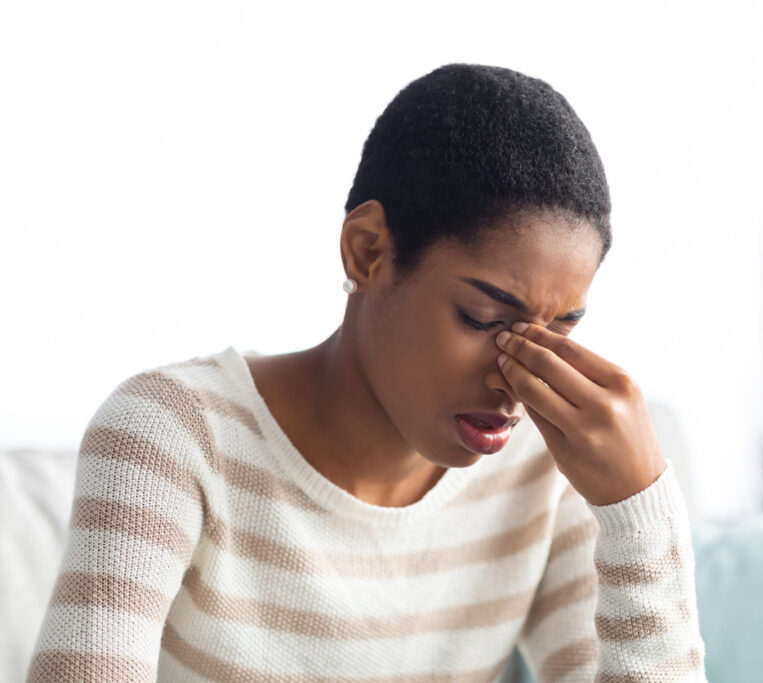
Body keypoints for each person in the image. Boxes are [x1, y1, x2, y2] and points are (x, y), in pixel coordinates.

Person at [27, 63, 707, 681]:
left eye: (560, 330)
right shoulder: (172, 436)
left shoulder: (541, 476)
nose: (518, 379)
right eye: (481, 317)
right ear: (367, 250)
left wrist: (639, 511)